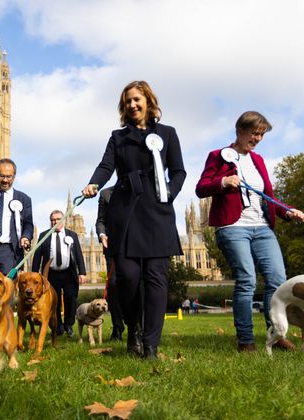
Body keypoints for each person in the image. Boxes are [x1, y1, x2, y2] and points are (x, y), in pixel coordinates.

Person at [82, 81, 186, 359]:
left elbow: (178, 171)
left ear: (149, 101)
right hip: (124, 210)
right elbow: (106, 166)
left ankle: (150, 344)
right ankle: (134, 330)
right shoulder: (118, 137)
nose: (132, 105)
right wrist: (94, 183)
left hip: (157, 211)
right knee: (126, 278)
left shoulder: (168, 133)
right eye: (127, 101)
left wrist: (168, 194)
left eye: (137, 99)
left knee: (155, 279)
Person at [195, 111, 304, 353]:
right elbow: (201, 188)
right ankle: (245, 340)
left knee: (277, 281)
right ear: (240, 131)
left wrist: (288, 212)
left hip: (263, 228)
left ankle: (275, 335)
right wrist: (223, 183)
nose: (257, 138)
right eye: (254, 133)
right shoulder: (218, 156)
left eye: (261, 134)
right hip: (233, 228)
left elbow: (269, 198)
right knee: (247, 280)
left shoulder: (258, 161)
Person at [32, 210, 86, 337]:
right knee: (53, 302)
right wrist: (34, 275)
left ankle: (69, 325)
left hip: (69, 273)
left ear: (64, 220)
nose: (55, 222)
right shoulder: (44, 235)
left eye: (57, 219)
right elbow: (37, 256)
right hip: (51, 274)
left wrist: (82, 272)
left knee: (71, 298)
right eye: (52, 220)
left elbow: (78, 253)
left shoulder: (72, 235)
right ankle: (58, 326)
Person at [96, 186, 125, 341]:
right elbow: (100, 221)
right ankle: (117, 327)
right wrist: (102, 235)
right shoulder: (106, 193)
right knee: (113, 286)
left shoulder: (142, 188)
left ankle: (138, 327)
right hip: (113, 248)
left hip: (136, 246)